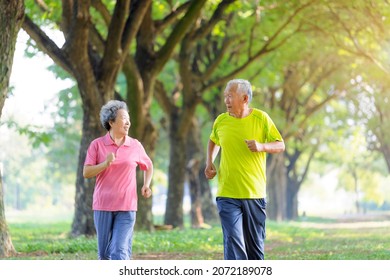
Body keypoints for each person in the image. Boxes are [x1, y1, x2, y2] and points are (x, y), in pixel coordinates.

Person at [204, 79, 285, 260]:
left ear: (245, 98)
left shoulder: (261, 119)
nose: (226, 100)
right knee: (233, 240)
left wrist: (262, 146)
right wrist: (210, 162)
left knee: (255, 249)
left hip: (254, 193)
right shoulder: (221, 120)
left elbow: (280, 145)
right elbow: (213, 140)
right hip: (227, 192)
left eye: (230, 96)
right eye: (225, 96)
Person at [83, 100, 153, 260]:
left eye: (128, 119)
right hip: (103, 206)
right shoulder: (97, 145)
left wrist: (146, 185)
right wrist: (105, 164)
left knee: (119, 251)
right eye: (123, 118)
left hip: (127, 206)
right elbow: (86, 172)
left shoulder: (135, 145)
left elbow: (148, 165)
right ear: (111, 122)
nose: (128, 122)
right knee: (104, 254)